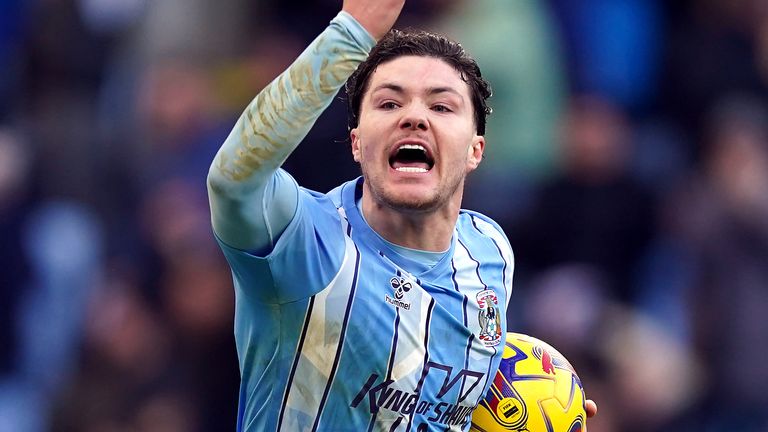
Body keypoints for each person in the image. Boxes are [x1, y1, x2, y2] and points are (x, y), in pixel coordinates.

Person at [207, 0, 595, 430]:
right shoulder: (303, 240)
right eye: (389, 104)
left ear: (475, 150)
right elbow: (233, 180)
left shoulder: (490, 252)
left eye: (442, 107)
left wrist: (549, 416)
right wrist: (351, 34)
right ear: (356, 143)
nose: (414, 117)